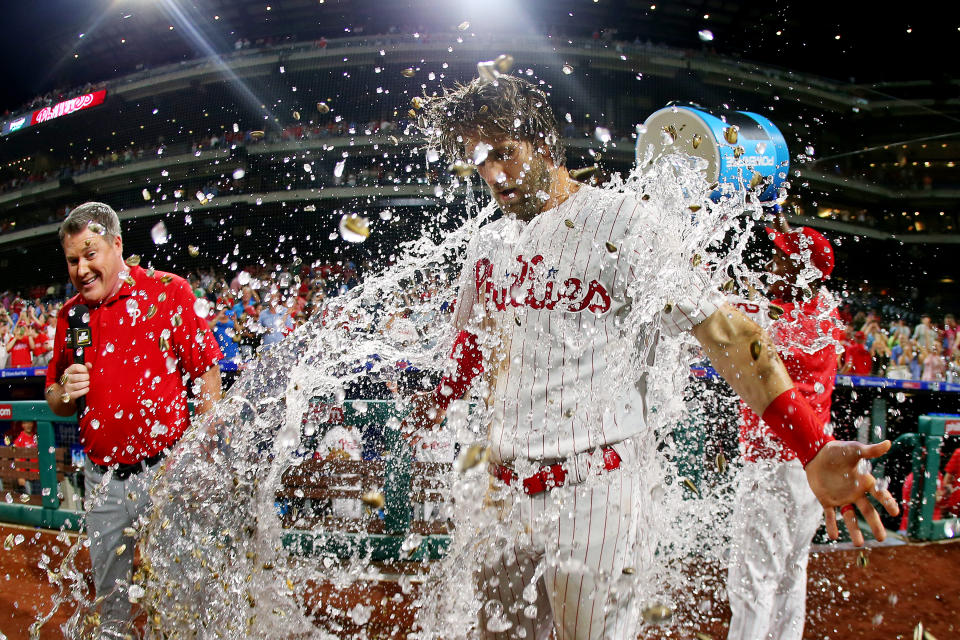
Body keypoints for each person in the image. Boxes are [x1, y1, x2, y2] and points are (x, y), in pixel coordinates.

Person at [408, 75, 898, 640]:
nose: (492, 175)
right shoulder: (488, 243)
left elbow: (728, 332)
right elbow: (476, 339)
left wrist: (810, 443)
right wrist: (436, 399)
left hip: (594, 491)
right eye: (478, 161)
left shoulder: (624, 224)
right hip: (504, 488)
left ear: (543, 144)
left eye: (504, 154)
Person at [43, 202, 223, 638]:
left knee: (182, 594)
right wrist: (64, 391)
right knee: (111, 606)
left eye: (90, 254)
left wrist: (200, 454)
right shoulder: (71, 316)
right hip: (101, 481)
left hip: (165, 472)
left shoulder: (168, 290)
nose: (81, 268)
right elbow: (55, 399)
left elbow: (207, 375)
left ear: (117, 245)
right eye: (72, 260)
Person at [727, 225, 843, 640]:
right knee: (790, 576)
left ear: (800, 271)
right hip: (810, 467)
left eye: (782, 258)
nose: (771, 263)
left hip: (773, 469)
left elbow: (716, 314)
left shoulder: (768, 318)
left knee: (752, 583)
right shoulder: (826, 315)